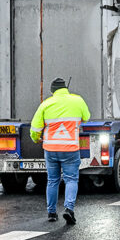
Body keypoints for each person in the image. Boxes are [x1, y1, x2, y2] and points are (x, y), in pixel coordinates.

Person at [30, 78, 91, 225]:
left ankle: (51, 212)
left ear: (52, 91)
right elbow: (87, 118)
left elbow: (35, 129)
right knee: (71, 179)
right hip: (70, 149)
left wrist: (36, 139)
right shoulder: (78, 100)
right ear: (66, 88)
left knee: (52, 181)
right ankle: (69, 209)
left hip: (51, 149)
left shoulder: (46, 104)